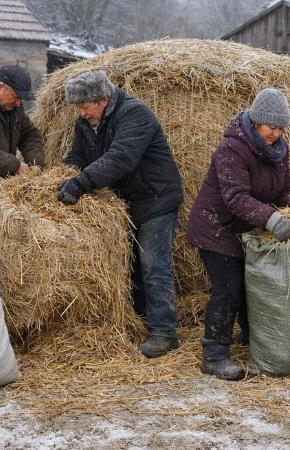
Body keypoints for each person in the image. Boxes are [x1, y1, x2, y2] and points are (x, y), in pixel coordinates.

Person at [57, 71, 184, 358]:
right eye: (78, 107)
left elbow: (121, 158)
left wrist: (80, 184)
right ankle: (141, 319)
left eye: (84, 106)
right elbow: (78, 157)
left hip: (156, 198)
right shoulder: (87, 122)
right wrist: (63, 175)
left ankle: (164, 332)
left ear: (103, 100)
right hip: (128, 202)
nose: (81, 112)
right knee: (132, 265)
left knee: (153, 264)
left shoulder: (135, 114)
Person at [188, 88, 290, 381]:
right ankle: (214, 354)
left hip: (245, 230)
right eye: (271, 127)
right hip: (216, 227)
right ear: (256, 122)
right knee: (228, 290)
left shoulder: (277, 152)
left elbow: (283, 190)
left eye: (280, 128)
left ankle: (253, 339)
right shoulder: (231, 150)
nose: (276, 133)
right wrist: (272, 219)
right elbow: (236, 198)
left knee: (252, 285)